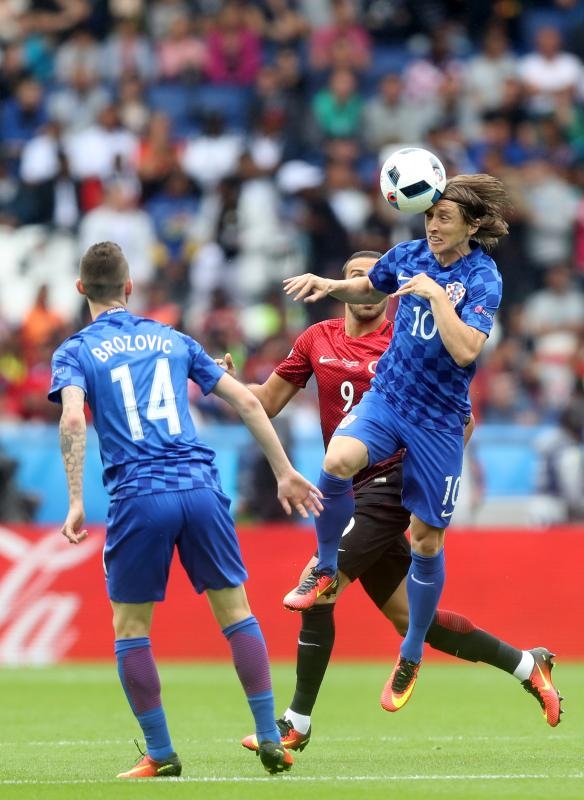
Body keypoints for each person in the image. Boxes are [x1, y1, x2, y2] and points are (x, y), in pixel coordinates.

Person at [218, 251, 562, 752]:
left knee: (319, 584)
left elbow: (460, 419)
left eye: (373, 277)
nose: (365, 284)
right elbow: (266, 403)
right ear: (346, 286)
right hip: (346, 493)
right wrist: (224, 383)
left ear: (389, 289)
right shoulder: (315, 340)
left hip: (390, 487)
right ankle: (529, 665)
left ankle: (297, 723)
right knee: (413, 622)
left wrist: (423, 472)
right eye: (355, 275)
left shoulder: (408, 341)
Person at [48, 241, 323, 779]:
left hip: (138, 495)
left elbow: (74, 420)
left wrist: (77, 498)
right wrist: (285, 470)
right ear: (129, 288)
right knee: (237, 613)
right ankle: (270, 737)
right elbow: (246, 400)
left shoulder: (75, 351)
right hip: (200, 488)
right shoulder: (173, 339)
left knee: (130, 627)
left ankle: (161, 752)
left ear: (81, 289)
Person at [282, 175, 511, 712]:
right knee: (337, 458)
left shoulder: (483, 278)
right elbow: (372, 287)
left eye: (444, 219)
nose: (432, 226)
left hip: (437, 421)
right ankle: (322, 568)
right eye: (429, 216)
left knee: (427, 542)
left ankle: (411, 654)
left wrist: (436, 299)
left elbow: (464, 352)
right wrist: (329, 284)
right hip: (390, 396)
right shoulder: (408, 254)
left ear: (472, 225)